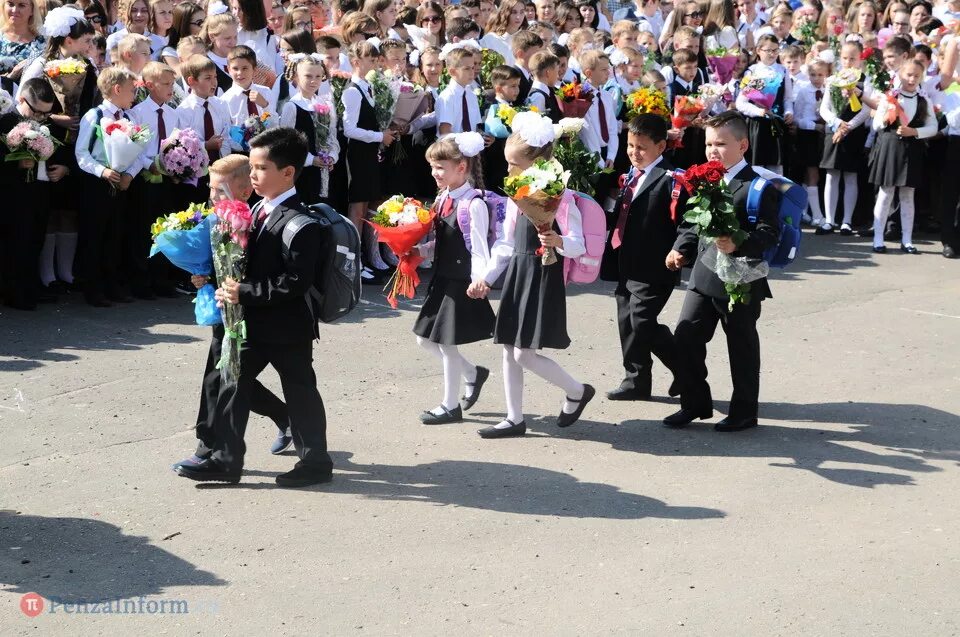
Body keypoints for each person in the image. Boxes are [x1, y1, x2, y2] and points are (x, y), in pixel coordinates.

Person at [177, 127, 334, 487]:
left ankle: (315, 464)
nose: (253, 175)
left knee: (300, 390)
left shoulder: (301, 221)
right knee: (231, 382)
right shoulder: (260, 207)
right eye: (253, 168)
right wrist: (212, 277)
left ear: (288, 173)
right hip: (251, 322)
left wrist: (244, 291)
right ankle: (225, 460)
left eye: (261, 168)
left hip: (287, 325)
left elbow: (296, 282)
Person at [171, 154, 293, 473]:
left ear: (243, 192)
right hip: (224, 309)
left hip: (247, 312)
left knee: (226, 378)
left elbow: (247, 268)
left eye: (219, 192)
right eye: (210, 191)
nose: (212, 198)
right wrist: (201, 275)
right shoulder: (217, 219)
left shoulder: (249, 221)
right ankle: (280, 417)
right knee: (226, 377)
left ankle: (211, 447)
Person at [479, 112, 595, 439]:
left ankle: (576, 390)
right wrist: (488, 277)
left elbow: (578, 243)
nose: (508, 171)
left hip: (542, 272)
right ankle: (514, 418)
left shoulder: (561, 195)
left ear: (535, 162)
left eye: (513, 164)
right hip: (518, 270)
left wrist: (558, 240)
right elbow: (505, 241)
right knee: (508, 347)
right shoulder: (518, 194)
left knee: (523, 352)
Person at [664, 111, 781, 432]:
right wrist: (680, 249)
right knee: (686, 338)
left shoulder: (758, 186)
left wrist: (738, 242)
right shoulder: (706, 177)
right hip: (704, 274)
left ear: (743, 145)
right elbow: (693, 221)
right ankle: (695, 402)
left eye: (721, 144)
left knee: (741, 347)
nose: (713, 151)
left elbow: (771, 234)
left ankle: (744, 412)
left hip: (741, 279)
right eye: (709, 144)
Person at [412, 133, 496, 425]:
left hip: (460, 280)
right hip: (442, 275)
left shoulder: (473, 203)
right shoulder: (443, 197)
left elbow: (478, 248)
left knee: (446, 343)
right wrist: (417, 251)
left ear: (461, 167)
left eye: (441, 167)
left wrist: (479, 279)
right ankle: (473, 373)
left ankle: (449, 405)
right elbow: (442, 241)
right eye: (433, 167)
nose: (435, 173)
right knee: (424, 340)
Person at [599, 114, 683, 401]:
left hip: (656, 265)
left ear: (661, 147)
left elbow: (685, 222)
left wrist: (680, 248)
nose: (635, 152)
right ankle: (636, 379)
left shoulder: (670, 179)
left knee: (642, 320)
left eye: (642, 147)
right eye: (630, 145)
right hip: (626, 261)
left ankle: (686, 369)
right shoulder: (631, 174)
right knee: (627, 320)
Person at [75, 66, 142, 307]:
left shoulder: (129, 117)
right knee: (95, 235)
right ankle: (93, 288)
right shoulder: (94, 115)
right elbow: (82, 153)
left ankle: (112, 284)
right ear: (117, 89)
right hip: (97, 183)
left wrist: (129, 175)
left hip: (121, 183)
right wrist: (103, 171)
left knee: (115, 234)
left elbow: (140, 153)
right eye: (131, 90)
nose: (134, 94)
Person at [0, 78, 59, 311]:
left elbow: (58, 149)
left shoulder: (45, 122)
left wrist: (63, 168)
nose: (41, 118)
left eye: (46, 114)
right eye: (37, 112)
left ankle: (30, 286)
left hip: (40, 191)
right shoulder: (6, 122)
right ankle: (14, 291)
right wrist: (15, 164)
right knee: (16, 242)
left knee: (36, 240)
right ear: (22, 100)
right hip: (13, 194)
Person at [868, 59, 937, 254]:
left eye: (916, 75)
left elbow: (933, 127)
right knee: (886, 192)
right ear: (900, 75)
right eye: (908, 75)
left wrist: (914, 131)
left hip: (912, 149)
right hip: (891, 147)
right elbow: (876, 126)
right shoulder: (891, 97)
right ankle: (878, 238)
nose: (912, 79)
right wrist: (886, 116)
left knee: (908, 195)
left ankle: (907, 239)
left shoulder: (924, 99)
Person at [342, 40, 396, 284]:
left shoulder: (371, 87)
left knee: (370, 205)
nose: (375, 64)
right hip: (358, 155)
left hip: (372, 153)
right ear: (356, 62)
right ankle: (355, 261)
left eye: (376, 60)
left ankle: (371, 256)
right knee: (357, 207)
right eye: (370, 60)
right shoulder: (352, 91)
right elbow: (349, 129)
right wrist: (378, 136)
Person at [817, 41, 868, 235]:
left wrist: (849, 126)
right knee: (831, 174)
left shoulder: (864, 81)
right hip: (835, 129)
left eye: (852, 58)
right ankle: (829, 220)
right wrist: (836, 122)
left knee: (850, 175)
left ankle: (847, 221)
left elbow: (866, 109)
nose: (848, 62)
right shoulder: (832, 80)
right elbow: (824, 108)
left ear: (860, 59)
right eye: (845, 58)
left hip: (853, 131)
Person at [278, 52, 339, 205]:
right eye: (308, 76)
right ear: (297, 77)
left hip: (323, 171)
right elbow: (287, 144)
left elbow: (332, 137)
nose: (314, 81)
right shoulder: (292, 106)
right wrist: (311, 160)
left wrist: (331, 156)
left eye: (318, 76)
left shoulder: (324, 105)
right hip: (302, 172)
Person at [222, 45, 275, 126]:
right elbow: (226, 132)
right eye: (235, 68)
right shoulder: (225, 100)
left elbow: (274, 125)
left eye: (245, 68)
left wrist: (265, 105)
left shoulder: (265, 92)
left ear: (254, 69)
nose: (240, 73)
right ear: (229, 69)